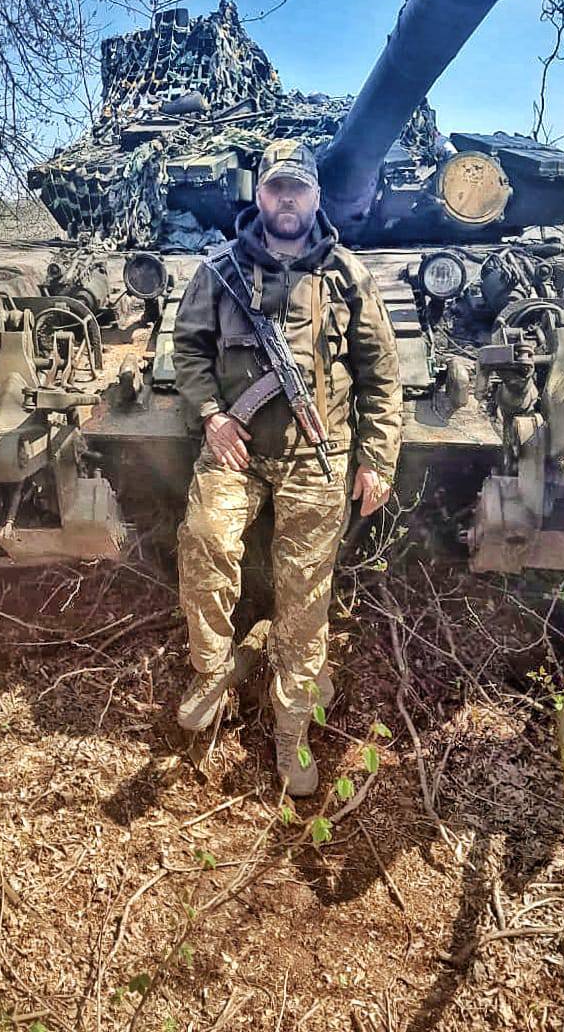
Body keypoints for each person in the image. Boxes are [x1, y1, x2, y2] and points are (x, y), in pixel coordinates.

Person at [172, 138, 402, 796]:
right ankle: (212, 670)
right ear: (261, 195)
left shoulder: (345, 275)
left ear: (315, 196)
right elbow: (189, 351)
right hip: (236, 451)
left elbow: (382, 375)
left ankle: (291, 731)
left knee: (304, 600)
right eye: (277, 188)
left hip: (317, 457)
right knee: (204, 539)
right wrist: (213, 416)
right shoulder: (219, 271)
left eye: (298, 188)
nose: (287, 199)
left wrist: (377, 459)